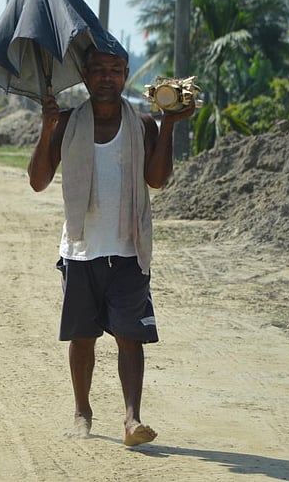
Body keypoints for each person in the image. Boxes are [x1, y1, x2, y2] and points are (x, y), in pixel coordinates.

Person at [27, 47, 195, 447]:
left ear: (126, 75)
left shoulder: (142, 125)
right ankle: (82, 413)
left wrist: (169, 123)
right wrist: (47, 127)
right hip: (80, 249)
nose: (106, 77)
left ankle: (132, 420)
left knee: (129, 336)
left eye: (115, 71)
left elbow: (156, 180)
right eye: (98, 70)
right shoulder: (67, 123)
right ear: (85, 75)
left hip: (127, 248)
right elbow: (37, 181)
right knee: (82, 337)